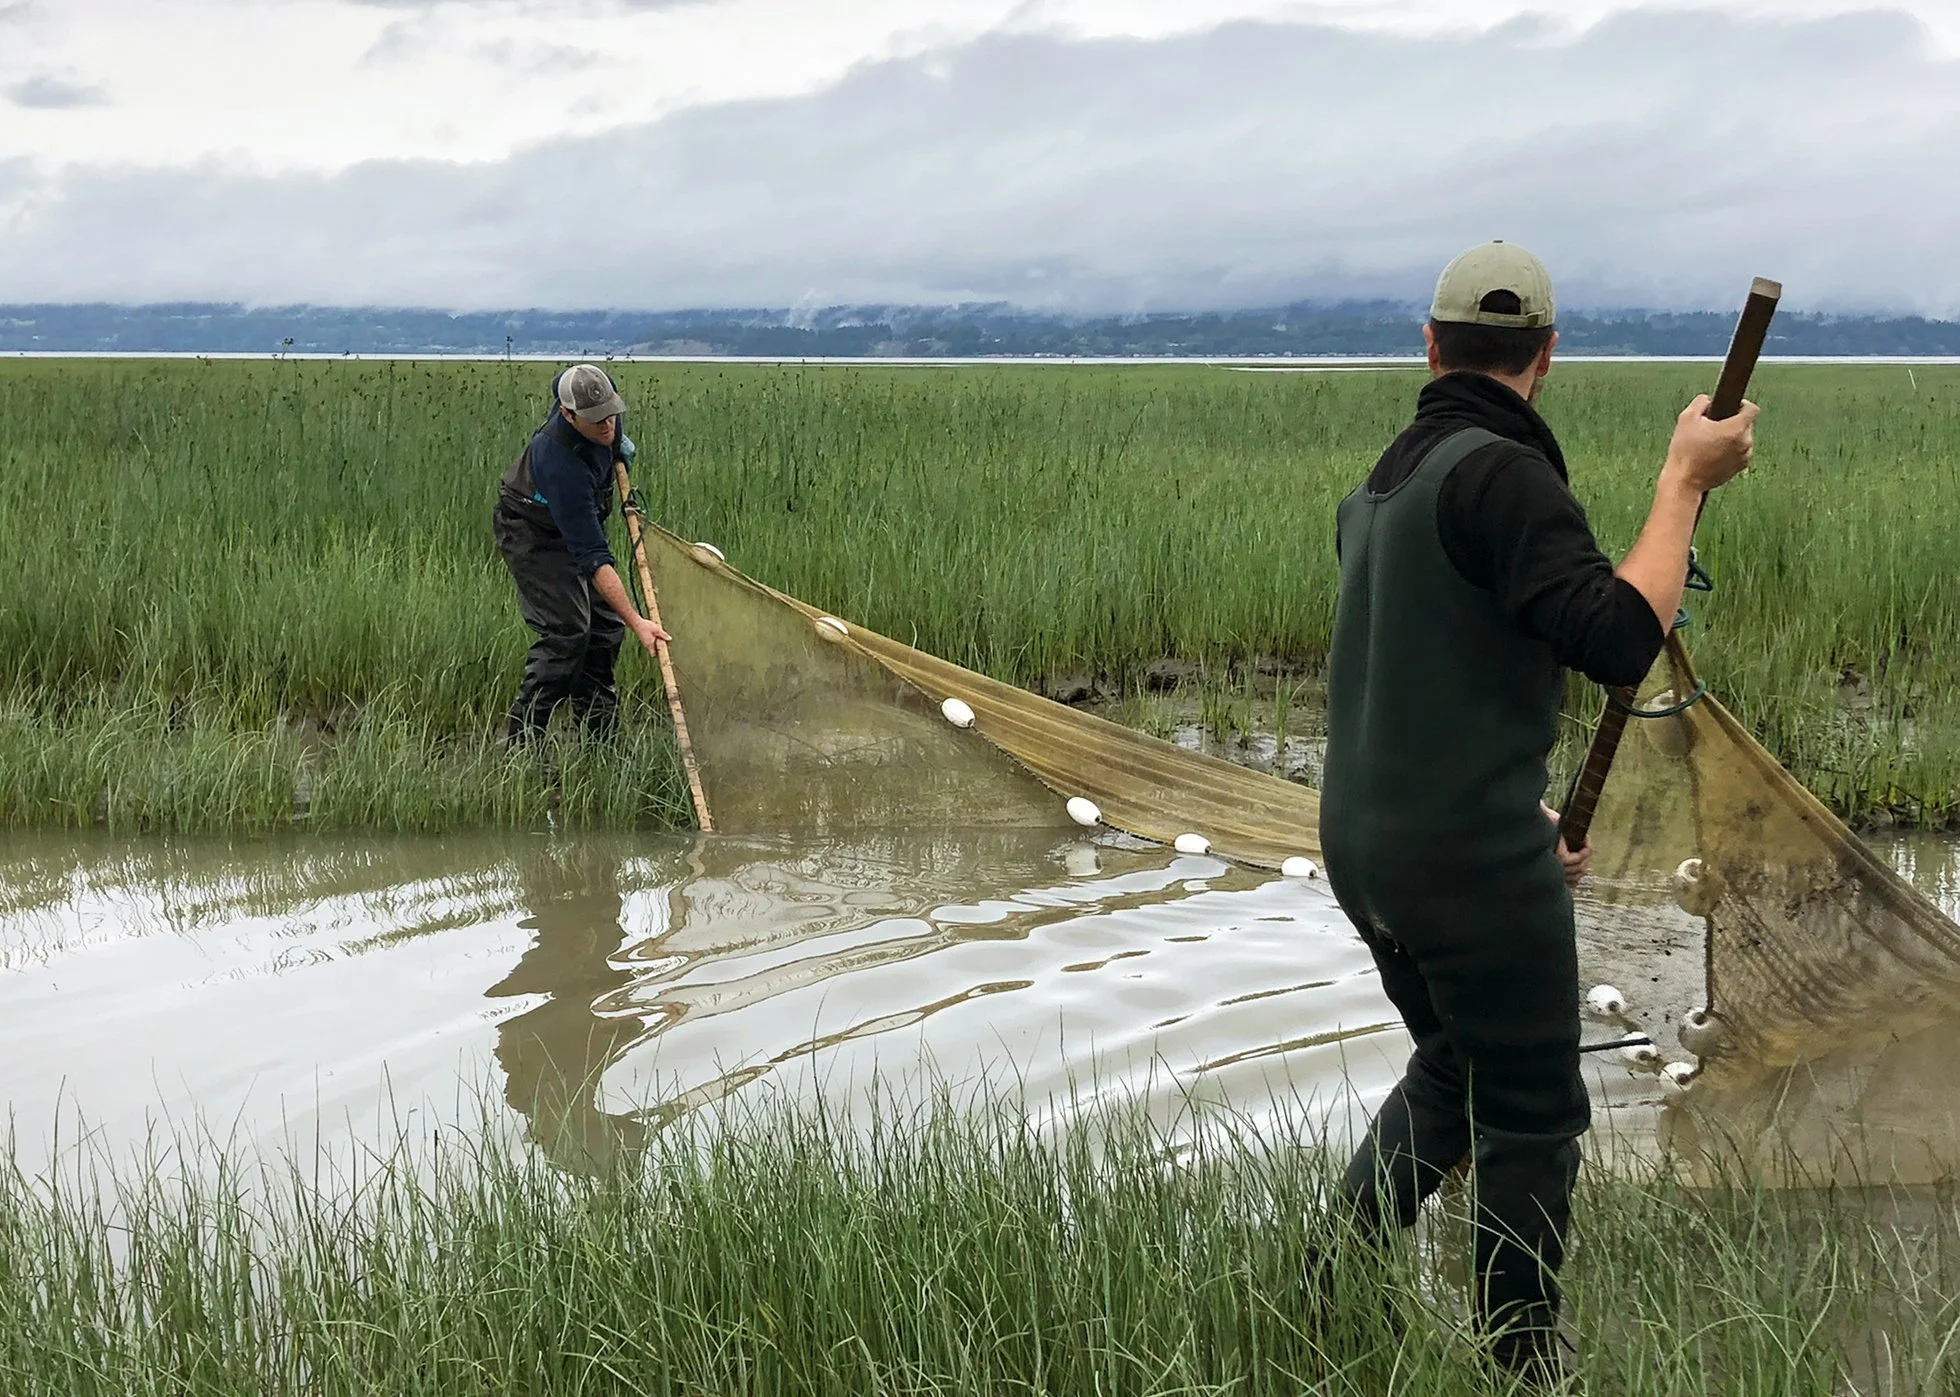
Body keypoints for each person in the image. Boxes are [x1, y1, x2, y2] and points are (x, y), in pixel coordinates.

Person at [1317, 241, 1758, 1383]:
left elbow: (1436, 672)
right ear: (1545, 357)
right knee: (1531, 1113)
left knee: (1457, 1065)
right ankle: (1523, 1365)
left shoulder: (1381, 485)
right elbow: (1616, 637)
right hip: (1462, 859)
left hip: (1369, 849)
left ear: (1429, 346)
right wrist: (1681, 481)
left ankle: (1329, 1271)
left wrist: (1525, 808)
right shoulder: (1499, 475)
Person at [494, 364, 671, 743]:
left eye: (612, 415)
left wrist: (616, 452)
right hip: (534, 530)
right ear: (567, 414)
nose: (608, 426)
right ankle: (523, 742)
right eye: (596, 421)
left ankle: (600, 737)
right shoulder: (559, 461)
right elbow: (593, 556)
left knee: (605, 628)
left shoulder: (593, 391)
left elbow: (562, 379)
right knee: (568, 632)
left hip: (573, 520)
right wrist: (638, 622)